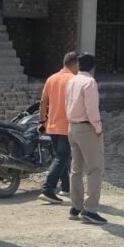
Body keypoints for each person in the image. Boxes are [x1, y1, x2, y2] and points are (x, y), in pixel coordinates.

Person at [65, 53, 107, 225]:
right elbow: (92, 109)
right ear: (93, 67)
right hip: (87, 128)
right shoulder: (90, 82)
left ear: (78, 65)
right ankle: (90, 210)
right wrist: (98, 128)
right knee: (95, 169)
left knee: (76, 169)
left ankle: (76, 207)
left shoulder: (71, 81)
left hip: (72, 127)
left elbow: (66, 104)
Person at [38, 51, 79, 204]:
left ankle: (66, 188)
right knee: (62, 157)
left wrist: (42, 121)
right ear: (75, 64)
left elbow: (43, 102)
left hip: (52, 126)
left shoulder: (51, 79)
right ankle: (47, 189)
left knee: (61, 157)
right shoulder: (74, 80)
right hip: (66, 126)